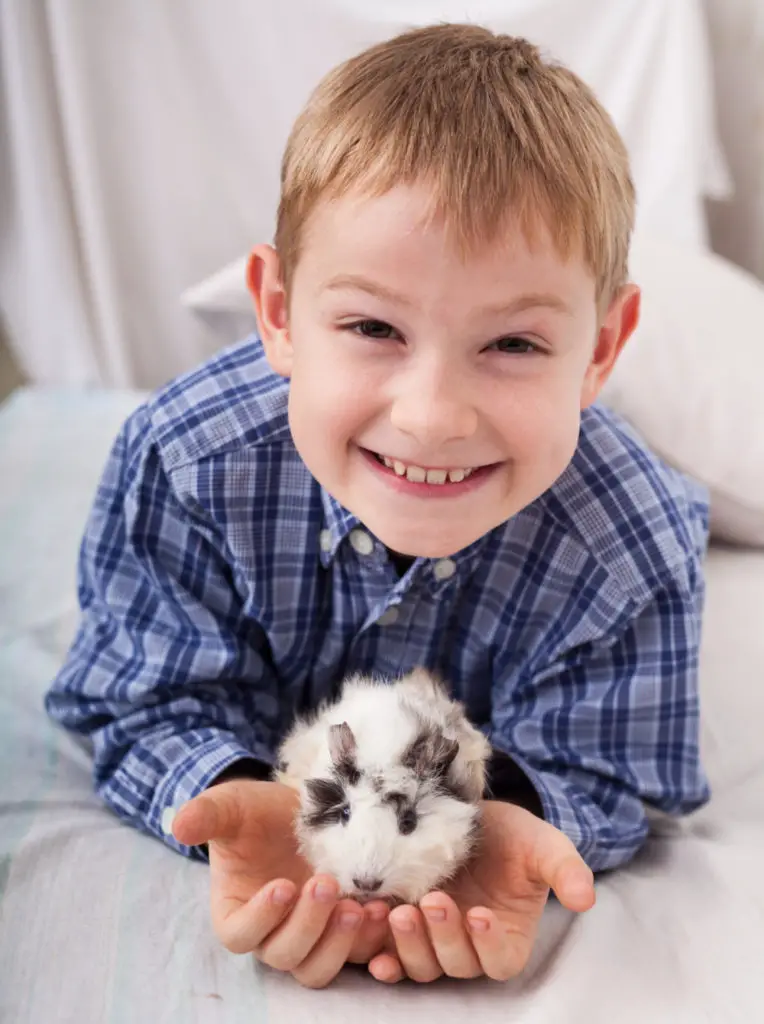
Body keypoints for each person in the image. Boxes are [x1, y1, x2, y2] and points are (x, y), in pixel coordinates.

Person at [44, 23, 711, 990]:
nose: (433, 417)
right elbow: (141, 700)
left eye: (514, 344)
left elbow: (617, 774)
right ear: (275, 312)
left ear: (603, 349)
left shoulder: (634, 542)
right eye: (371, 327)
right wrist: (240, 798)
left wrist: (500, 819)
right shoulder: (186, 464)